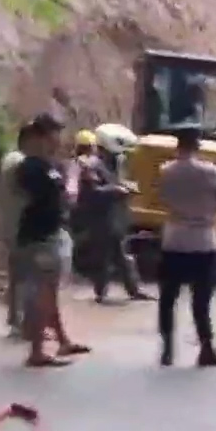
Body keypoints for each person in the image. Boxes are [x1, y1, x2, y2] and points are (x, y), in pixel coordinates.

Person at [13, 113, 91, 368]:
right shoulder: (33, 167)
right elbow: (66, 197)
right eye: (51, 133)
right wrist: (73, 177)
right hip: (41, 238)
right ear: (38, 137)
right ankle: (37, 350)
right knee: (42, 296)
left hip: (48, 235)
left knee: (49, 294)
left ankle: (62, 341)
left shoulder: (46, 165)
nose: (57, 138)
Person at [155, 124, 216, 367]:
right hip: (203, 239)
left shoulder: (165, 171)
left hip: (174, 238)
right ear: (198, 144)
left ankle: (168, 349)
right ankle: (206, 348)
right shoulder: (210, 172)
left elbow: (163, 199)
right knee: (201, 299)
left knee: (168, 297)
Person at [77, 124, 152, 304]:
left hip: (114, 218)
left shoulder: (112, 164)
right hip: (101, 219)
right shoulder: (92, 165)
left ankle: (129, 290)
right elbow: (92, 192)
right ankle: (102, 292)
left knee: (121, 256)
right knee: (105, 256)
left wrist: (125, 187)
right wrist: (117, 190)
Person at [0, 125, 35, 338]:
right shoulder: (19, 162)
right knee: (26, 275)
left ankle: (14, 317)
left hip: (12, 223)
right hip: (21, 225)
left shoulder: (9, 159)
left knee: (17, 274)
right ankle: (21, 321)